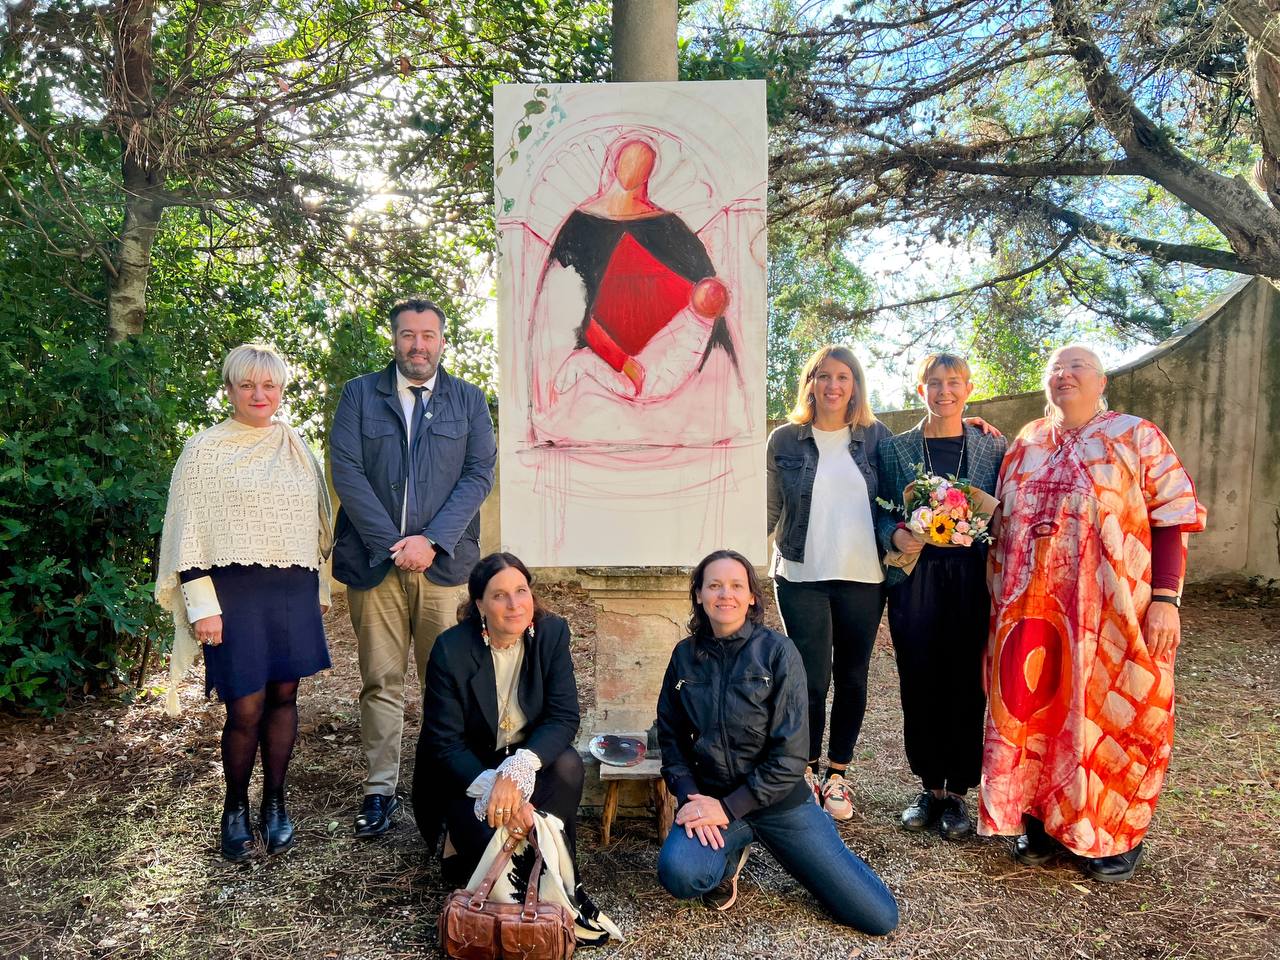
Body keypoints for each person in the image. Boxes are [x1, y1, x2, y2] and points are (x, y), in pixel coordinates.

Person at [979, 345, 1206, 882]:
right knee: (1033, 713)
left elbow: (1172, 516)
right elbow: (1000, 518)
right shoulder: (1026, 442)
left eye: (1077, 366)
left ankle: (1114, 834)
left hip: (1113, 614)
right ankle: (1037, 821)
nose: (1064, 375)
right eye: (1055, 368)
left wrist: (1168, 600)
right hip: (1032, 613)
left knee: (1118, 712)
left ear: (1101, 380)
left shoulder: (1136, 435)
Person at [655, 550, 898, 934]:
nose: (725, 595)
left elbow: (790, 757)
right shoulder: (685, 657)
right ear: (699, 595)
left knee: (878, 918)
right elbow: (669, 737)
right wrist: (691, 797)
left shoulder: (778, 653)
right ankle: (731, 850)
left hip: (780, 803)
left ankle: (775, 839)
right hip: (712, 798)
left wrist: (733, 807)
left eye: (737, 585)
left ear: (752, 595)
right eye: (714, 585)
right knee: (681, 874)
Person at [156, 343, 333, 861]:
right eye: (248, 385)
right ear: (230, 389)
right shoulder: (204, 451)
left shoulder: (299, 447)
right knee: (245, 707)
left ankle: (275, 804)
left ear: (281, 390)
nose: (260, 395)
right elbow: (188, 537)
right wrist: (200, 605)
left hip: (291, 592)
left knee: (284, 698)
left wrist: (318, 592)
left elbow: (315, 531)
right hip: (232, 596)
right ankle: (234, 807)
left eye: (270, 385)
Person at [329, 297, 497, 838]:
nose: (417, 345)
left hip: (443, 568)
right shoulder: (359, 395)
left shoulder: (468, 402)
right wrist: (392, 543)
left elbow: (478, 475)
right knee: (380, 680)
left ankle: (448, 784)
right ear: (394, 339)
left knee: (444, 683)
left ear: (442, 341)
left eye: (427, 335)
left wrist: (431, 540)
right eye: (407, 335)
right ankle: (380, 789)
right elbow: (347, 471)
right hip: (375, 564)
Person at [875, 353, 1006, 839]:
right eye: (934, 382)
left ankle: (958, 795)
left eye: (954, 382)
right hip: (916, 579)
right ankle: (929, 786)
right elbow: (881, 510)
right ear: (919, 389)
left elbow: (1002, 510)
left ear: (969, 388)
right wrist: (896, 536)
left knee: (965, 682)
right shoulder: (896, 449)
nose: (944, 391)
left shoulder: (991, 446)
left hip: (972, 577)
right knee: (919, 678)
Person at [765, 346, 891, 820]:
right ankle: (806, 772)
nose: (833, 386)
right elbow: (770, 507)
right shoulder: (784, 440)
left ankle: (838, 775)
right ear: (810, 383)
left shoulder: (877, 438)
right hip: (801, 575)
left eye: (844, 377)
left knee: (852, 676)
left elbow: (904, 489)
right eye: (824, 376)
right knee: (810, 680)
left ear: (855, 385)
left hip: (863, 576)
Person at [413, 552, 582, 883]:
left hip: (526, 757)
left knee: (568, 765)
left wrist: (519, 771)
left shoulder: (552, 634)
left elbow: (563, 715)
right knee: (488, 871)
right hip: (471, 769)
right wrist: (499, 789)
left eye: (521, 591)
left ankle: (553, 852)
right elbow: (444, 742)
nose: (514, 604)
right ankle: (461, 839)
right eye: (499, 595)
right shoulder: (451, 650)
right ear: (480, 605)